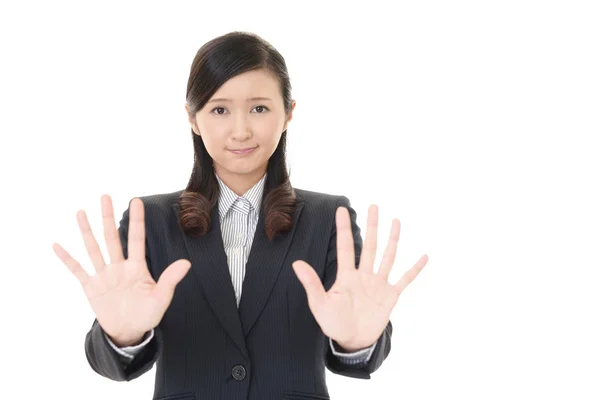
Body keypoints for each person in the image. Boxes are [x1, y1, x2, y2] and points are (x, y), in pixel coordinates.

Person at [52, 31, 429, 400]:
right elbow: (112, 365)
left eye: (259, 108)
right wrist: (123, 337)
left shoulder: (329, 218)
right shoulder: (148, 221)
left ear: (288, 114)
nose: (241, 130)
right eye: (219, 109)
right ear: (193, 119)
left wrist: (355, 342)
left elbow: (354, 351)